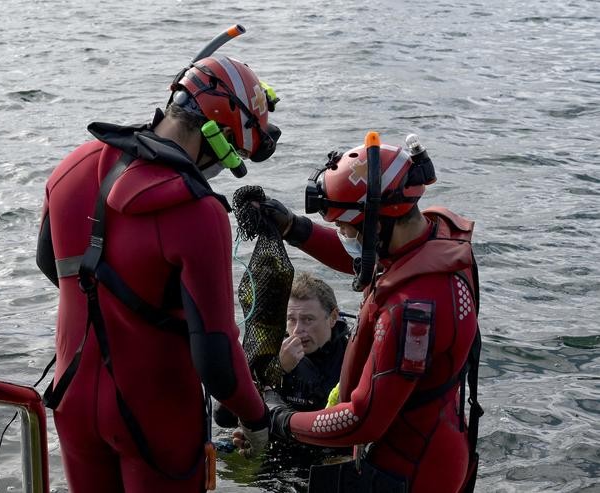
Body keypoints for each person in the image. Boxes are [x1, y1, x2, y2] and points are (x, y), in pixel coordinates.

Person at [36, 47, 282, 492]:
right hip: (157, 419)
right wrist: (257, 417)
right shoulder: (199, 211)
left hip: (71, 402)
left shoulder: (73, 164)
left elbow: (49, 264)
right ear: (218, 137)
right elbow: (217, 358)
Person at [235, 134, 482, 493]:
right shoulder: (430, 240)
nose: (342, 235)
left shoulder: (411, 311)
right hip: (436, 439)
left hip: (411, 469)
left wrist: (279, 419)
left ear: (378, 224)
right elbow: (366, 261)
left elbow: (360, 421)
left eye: (347, 228)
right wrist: (293, 227)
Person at [273, 272, 348, 412]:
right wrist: (278, 370)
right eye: (291, 319)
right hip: (283, 429)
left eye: (308, 319)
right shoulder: (273, 355)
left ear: (332, 317)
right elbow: (223, 415)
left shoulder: (351, 357)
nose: (297, 330)